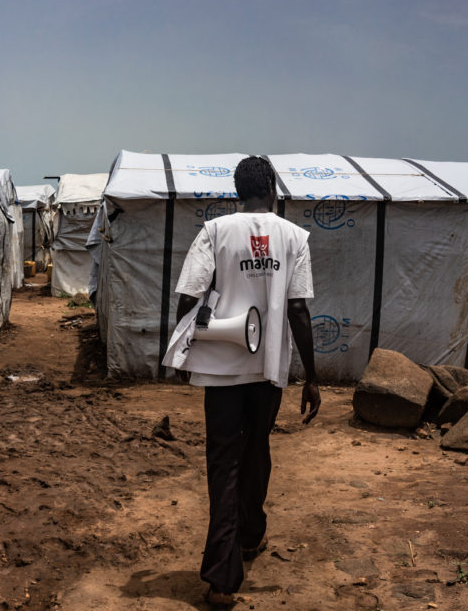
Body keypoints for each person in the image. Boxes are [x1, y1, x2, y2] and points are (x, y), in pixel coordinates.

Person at [168, 156, 320, 607]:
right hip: (268, 369)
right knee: (257, 450)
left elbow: (189, 295)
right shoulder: (294, 237)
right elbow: (298, 309)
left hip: (220, 370)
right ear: (272, 189)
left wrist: (182, 349)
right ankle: (250, 536)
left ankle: (222, 577)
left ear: (237, 192)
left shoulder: (214, 232)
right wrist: (311, 378)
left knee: (224, 463)